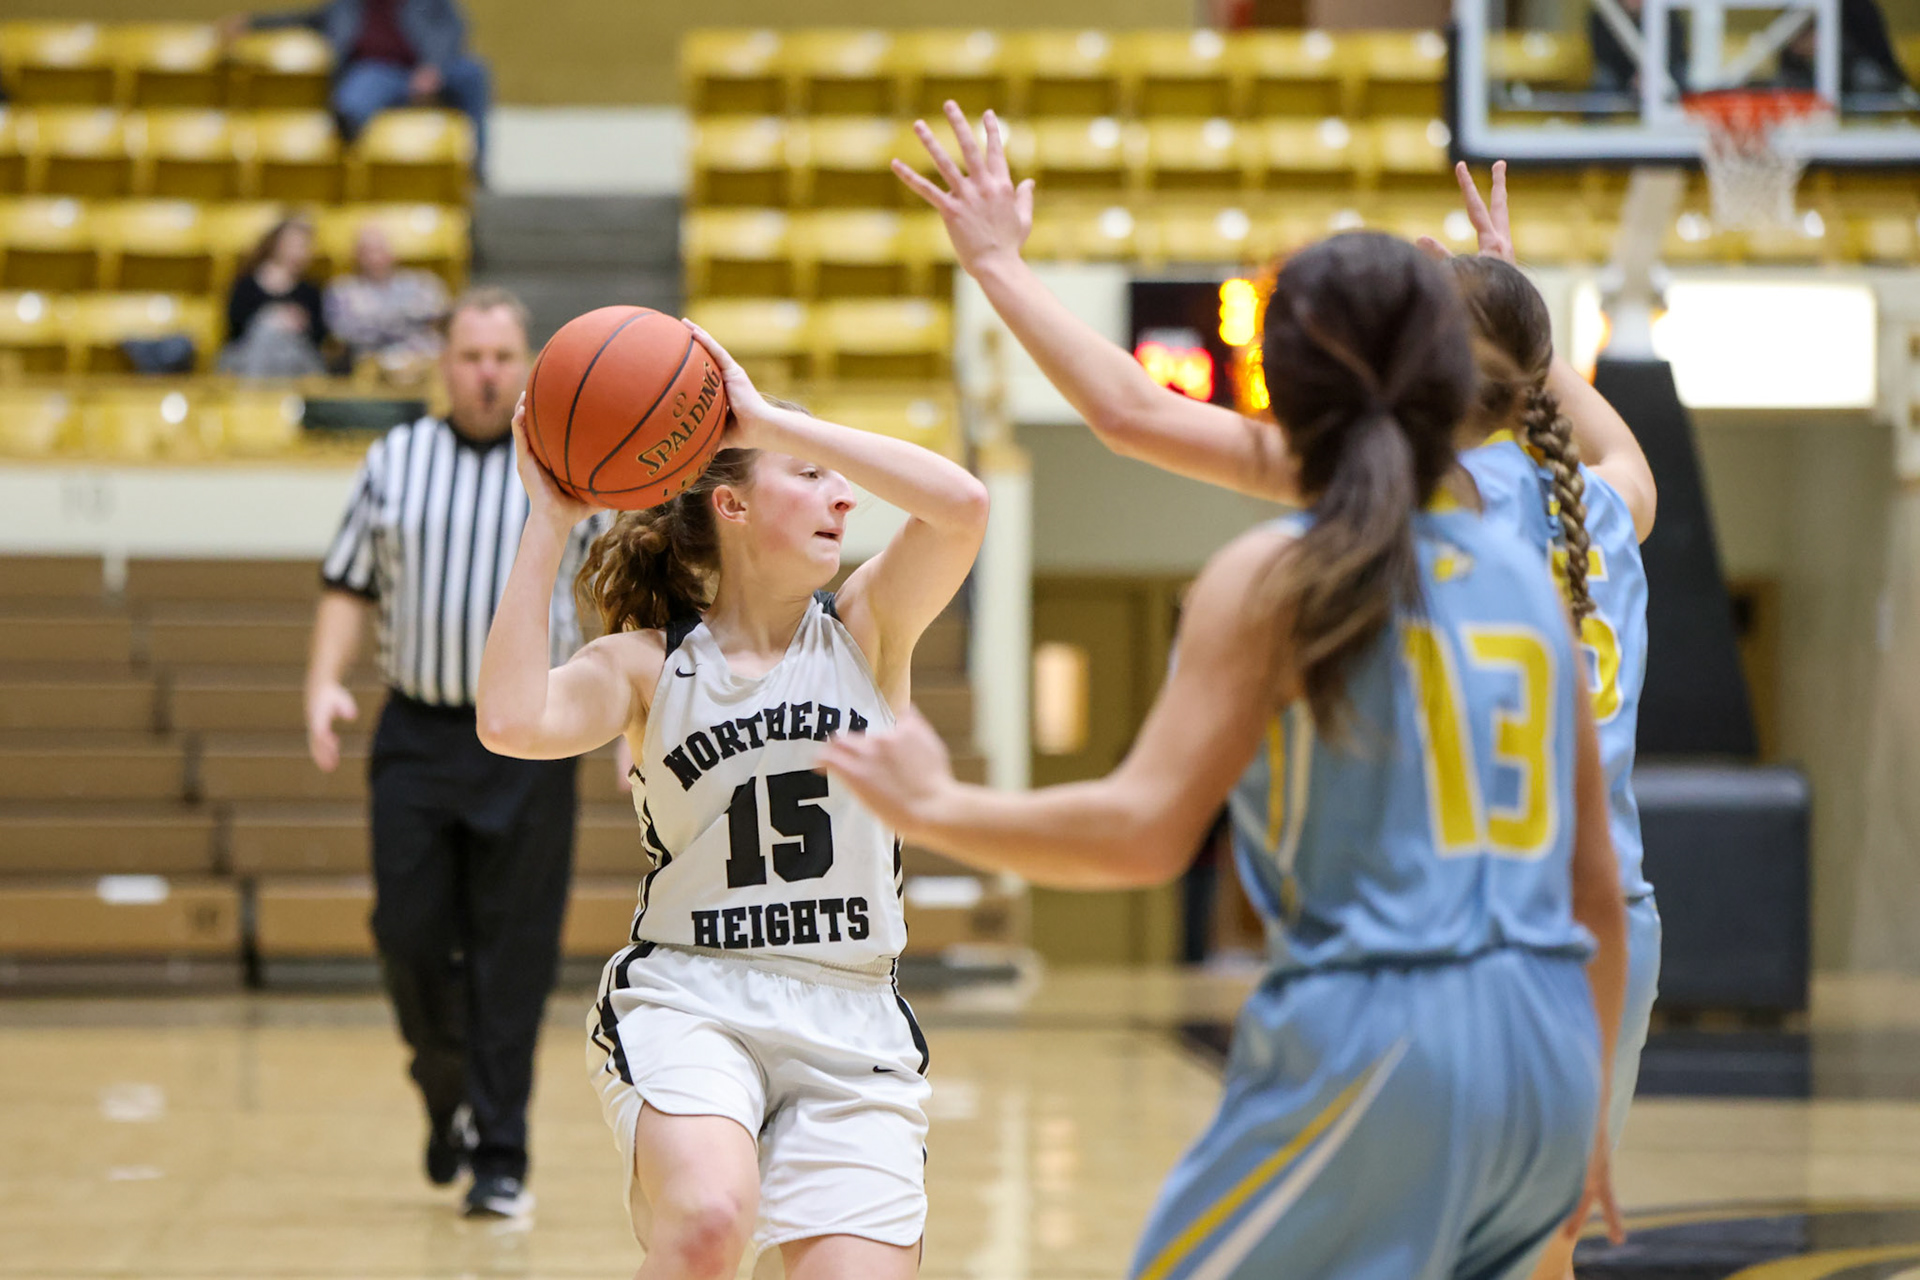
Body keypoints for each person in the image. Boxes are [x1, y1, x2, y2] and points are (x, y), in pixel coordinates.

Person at [845, 105, 1631, 1279]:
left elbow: (1141, 829)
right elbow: (1595, 891)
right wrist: (1590, 1115)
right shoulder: (1533, 571)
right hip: (1550, 1053)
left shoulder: (1281, 573)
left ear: (1279, 389)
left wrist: (938, 806)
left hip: (1386, 1035)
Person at [474, 327, 989, 1279]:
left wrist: (773, 425)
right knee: (711, 1221)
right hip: (695, 993)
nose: (845, 494)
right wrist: (547, 521)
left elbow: (963, 505)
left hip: (852, 1014)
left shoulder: (867, 630)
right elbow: (509, 722)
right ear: (733, 503)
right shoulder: (648, 665)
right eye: (812, 475)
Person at [305, 287, 603, 1219]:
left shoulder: (569, 472)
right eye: (471, 356)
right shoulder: (393, 460)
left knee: (517, 953)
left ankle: (501, 1155)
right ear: (445, 364)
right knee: (408, 936)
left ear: (527, 366)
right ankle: (445, 1089)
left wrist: (629, 720)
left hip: (533, 741)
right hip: (420, 735)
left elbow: (609, 600)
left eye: (503, 357)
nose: (486, 373)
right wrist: (324, 681)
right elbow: (347, 583)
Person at [1430, 162, 1661, 1280]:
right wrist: (1513, 301)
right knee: (1542, 1248)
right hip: (1616, 920)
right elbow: (1618, 450)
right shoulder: (1605, 506)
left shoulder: (1444, 504)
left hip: (1492, 921)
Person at [220, 0, 491, 174]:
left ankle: (474, 165)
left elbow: (453, 30)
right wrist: (253, 23)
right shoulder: (346, 6)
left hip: (426, 67)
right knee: (350, 103)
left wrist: (434, 67)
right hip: (376, 72)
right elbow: (306, 20)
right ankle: (355, 176)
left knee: (473, 73)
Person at [324, 221, 448, 386]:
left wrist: (379, 322)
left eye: (380, 249)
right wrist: (406, 320)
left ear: (393, 252)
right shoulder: (343, 291)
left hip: (422, 370)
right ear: (357, 256)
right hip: (368, 374)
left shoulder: (422, 284)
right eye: (367, 251)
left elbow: (441, 320)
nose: (375, 258)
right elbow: (344, 332)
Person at [221, 213, 329, 378]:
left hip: (296, 358)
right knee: (268, 327)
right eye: (294, 245)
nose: (300, 252)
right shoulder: (246, 285)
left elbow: (319, 338)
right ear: (277, 244)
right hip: (250, 355)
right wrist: (273, 317)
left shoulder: (310, 290)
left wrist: (301, 322)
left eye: (305, 246)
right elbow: (234, 329)